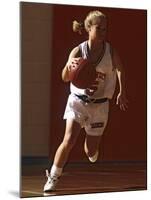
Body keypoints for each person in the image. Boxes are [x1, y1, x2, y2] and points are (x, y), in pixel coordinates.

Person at [43, 10, 128, 192]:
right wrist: (70, 67)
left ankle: (92, 150)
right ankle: (53, 177)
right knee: (69, 139)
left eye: (105, 29)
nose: (103, 32)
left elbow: (120, 69)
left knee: (90, 152)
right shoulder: (78, 51)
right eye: (99, 28)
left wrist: (122, 91)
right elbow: (65, 77)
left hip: (100, 105)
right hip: (78, 101)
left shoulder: (110, 50)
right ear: (89, 28)